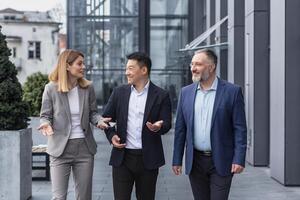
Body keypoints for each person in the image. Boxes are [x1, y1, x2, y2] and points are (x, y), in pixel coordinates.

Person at [172, 49, 247, 200]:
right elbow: (180, 129)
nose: (193, 68)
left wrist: (239, 158)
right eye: (192, 64)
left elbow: (239, 128)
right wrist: (177, 159)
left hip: (221, 159)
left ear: (211, 67)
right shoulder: (186, 92)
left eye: (198, 64)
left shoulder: (232, 92)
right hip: (195, 161)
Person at [38, 49, 110, 200]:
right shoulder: (51, 88)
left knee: (84, 196)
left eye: (83, 63)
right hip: (60, 149)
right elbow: (45, 115)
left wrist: (99, 121)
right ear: (67, 66)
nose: (83, 67)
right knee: (59, 197)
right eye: (79, 63)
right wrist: (45, 124)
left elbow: (93, 113)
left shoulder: (87, 88)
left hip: (84, 148)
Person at [102, 52, 172, 200]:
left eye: (130, 68)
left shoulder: (161, 95)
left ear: (144, 70)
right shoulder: (119, 93)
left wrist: (159, 126)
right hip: (122, 158)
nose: (126, 72)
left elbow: (167, 123)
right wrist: (111, 135)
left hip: (149, 159)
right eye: (126, 68)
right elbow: (106, 119)